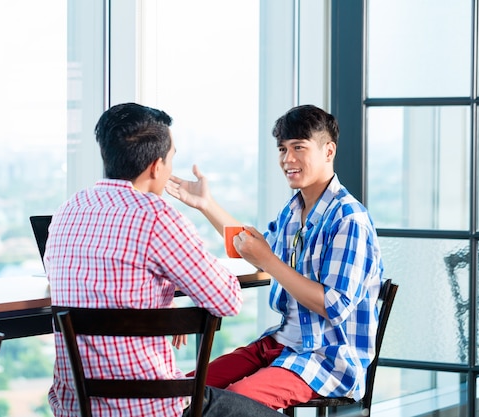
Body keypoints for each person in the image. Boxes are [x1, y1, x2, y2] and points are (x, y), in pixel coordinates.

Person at [45, 102, 284, 417]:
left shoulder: (67, 211)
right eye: (172, 159)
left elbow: (92, 284)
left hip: (77, 408)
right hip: (151, 408)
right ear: (156, 167)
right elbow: (226, 301)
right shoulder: (156, 218)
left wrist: (158, 298)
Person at [165, 104, 385, 411]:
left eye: (299, 148)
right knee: (180, 391)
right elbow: (253, 247)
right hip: (280, 345)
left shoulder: (349, 220)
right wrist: (206, 204)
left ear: (328, 151)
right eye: (282, 149)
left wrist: (268, 260)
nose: (287, 159)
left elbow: (332, 305)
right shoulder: (294, 209)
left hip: (326, 359)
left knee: (231, 404)